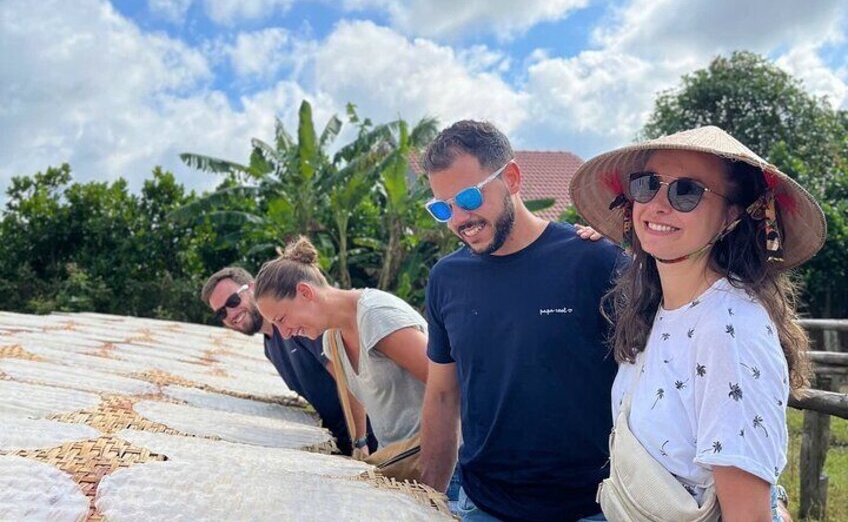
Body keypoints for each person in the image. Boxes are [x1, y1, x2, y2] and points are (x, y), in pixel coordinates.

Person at [569, 125, 824, 521]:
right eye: (646, 185)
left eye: (686, 191)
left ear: (732, 216)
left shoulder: (728, 329)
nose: (657, 205)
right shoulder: (656, 307)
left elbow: (748, 515)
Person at [419, 120, 628, 521]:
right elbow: (443, 394)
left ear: (511, 178)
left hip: (592, 507)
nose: (459, 219)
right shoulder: (445, 279)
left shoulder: (594, 261)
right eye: (442, 208)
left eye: (468, 197)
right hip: (484, 505)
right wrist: (427, 499)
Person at [252, 236, 430, 450]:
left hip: (441, 461)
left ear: (305, 292)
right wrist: (360, 441)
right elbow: (351, 390)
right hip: (400, 460)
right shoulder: (332, 339)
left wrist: (437, 467)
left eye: (281, 319)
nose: (285, 333)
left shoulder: (376, 317)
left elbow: (448, 384)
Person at [201, 267, 376, 456]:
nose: (230, 314)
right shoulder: (269, 348)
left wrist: (360, 441)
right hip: (344, 445)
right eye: (221, 314)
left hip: (372, 442)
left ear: (252, 288)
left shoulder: (298, 325)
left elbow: (349, 380)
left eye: (233, 301)